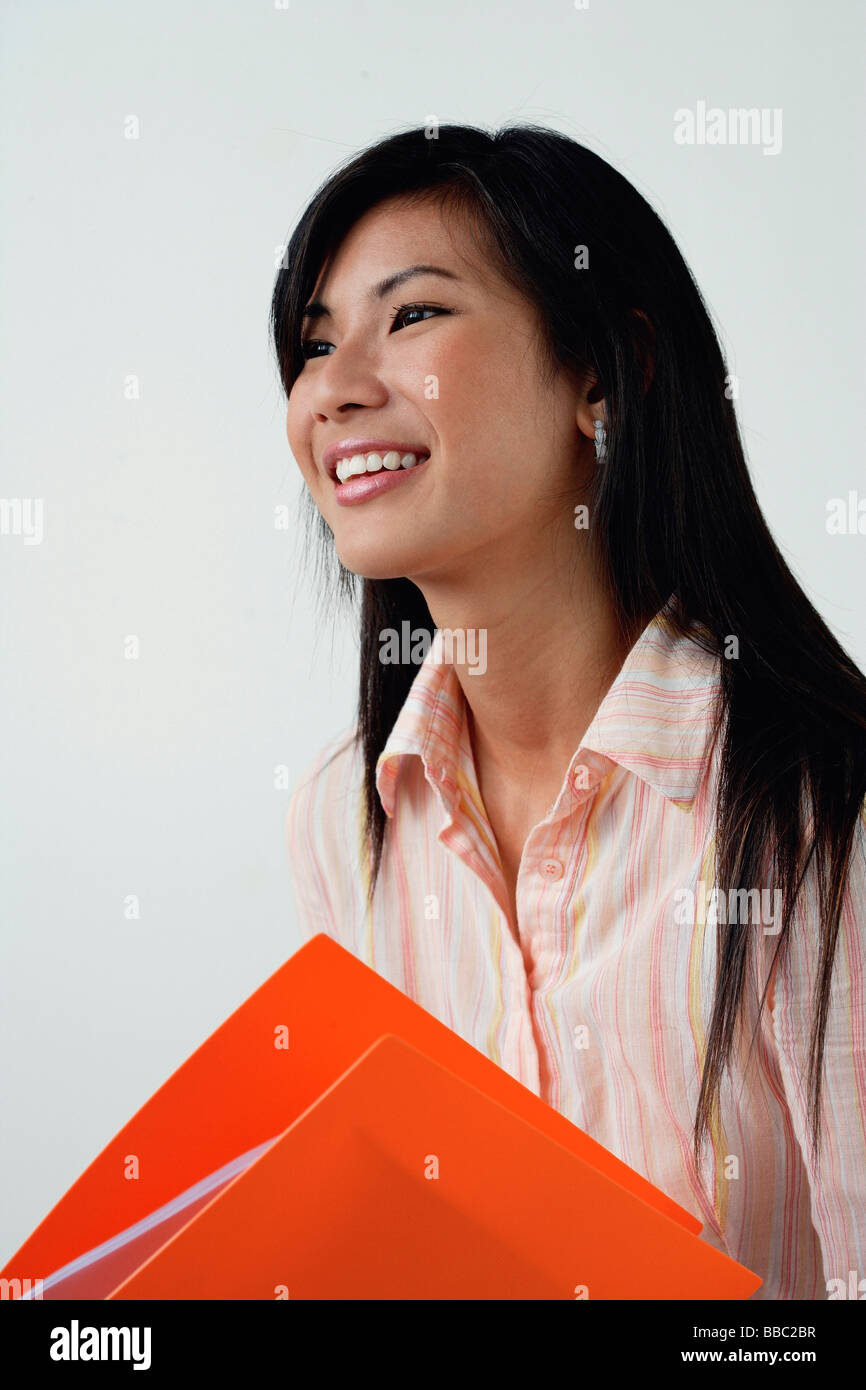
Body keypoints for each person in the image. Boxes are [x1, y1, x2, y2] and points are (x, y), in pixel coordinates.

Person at [271, 122, 866, 1300]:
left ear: (600, 374)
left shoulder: (813, 807)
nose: (333, 392)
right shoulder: (344, 818)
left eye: (413, 315)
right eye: (313, 344)